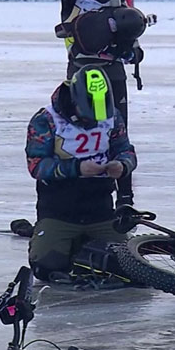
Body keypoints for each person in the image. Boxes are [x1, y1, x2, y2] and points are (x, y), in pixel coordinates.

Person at [25, 65, 137, 282]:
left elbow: (125, 149)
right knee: (47, 267)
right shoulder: (45, 120)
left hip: (100, 209)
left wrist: (122, 165)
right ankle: (54, 240)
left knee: (128, 266)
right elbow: (37, 166)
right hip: (59, 210)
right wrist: (76, 169)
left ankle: (87, 245)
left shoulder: (112, 117)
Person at [58, 0, 144, 207]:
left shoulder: (120, 1)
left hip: (114, 73)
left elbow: (132, 44)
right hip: (80, 72)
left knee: (118, 133)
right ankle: (82, 188)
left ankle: (125, 197)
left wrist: (132, 51)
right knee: (80, 130)